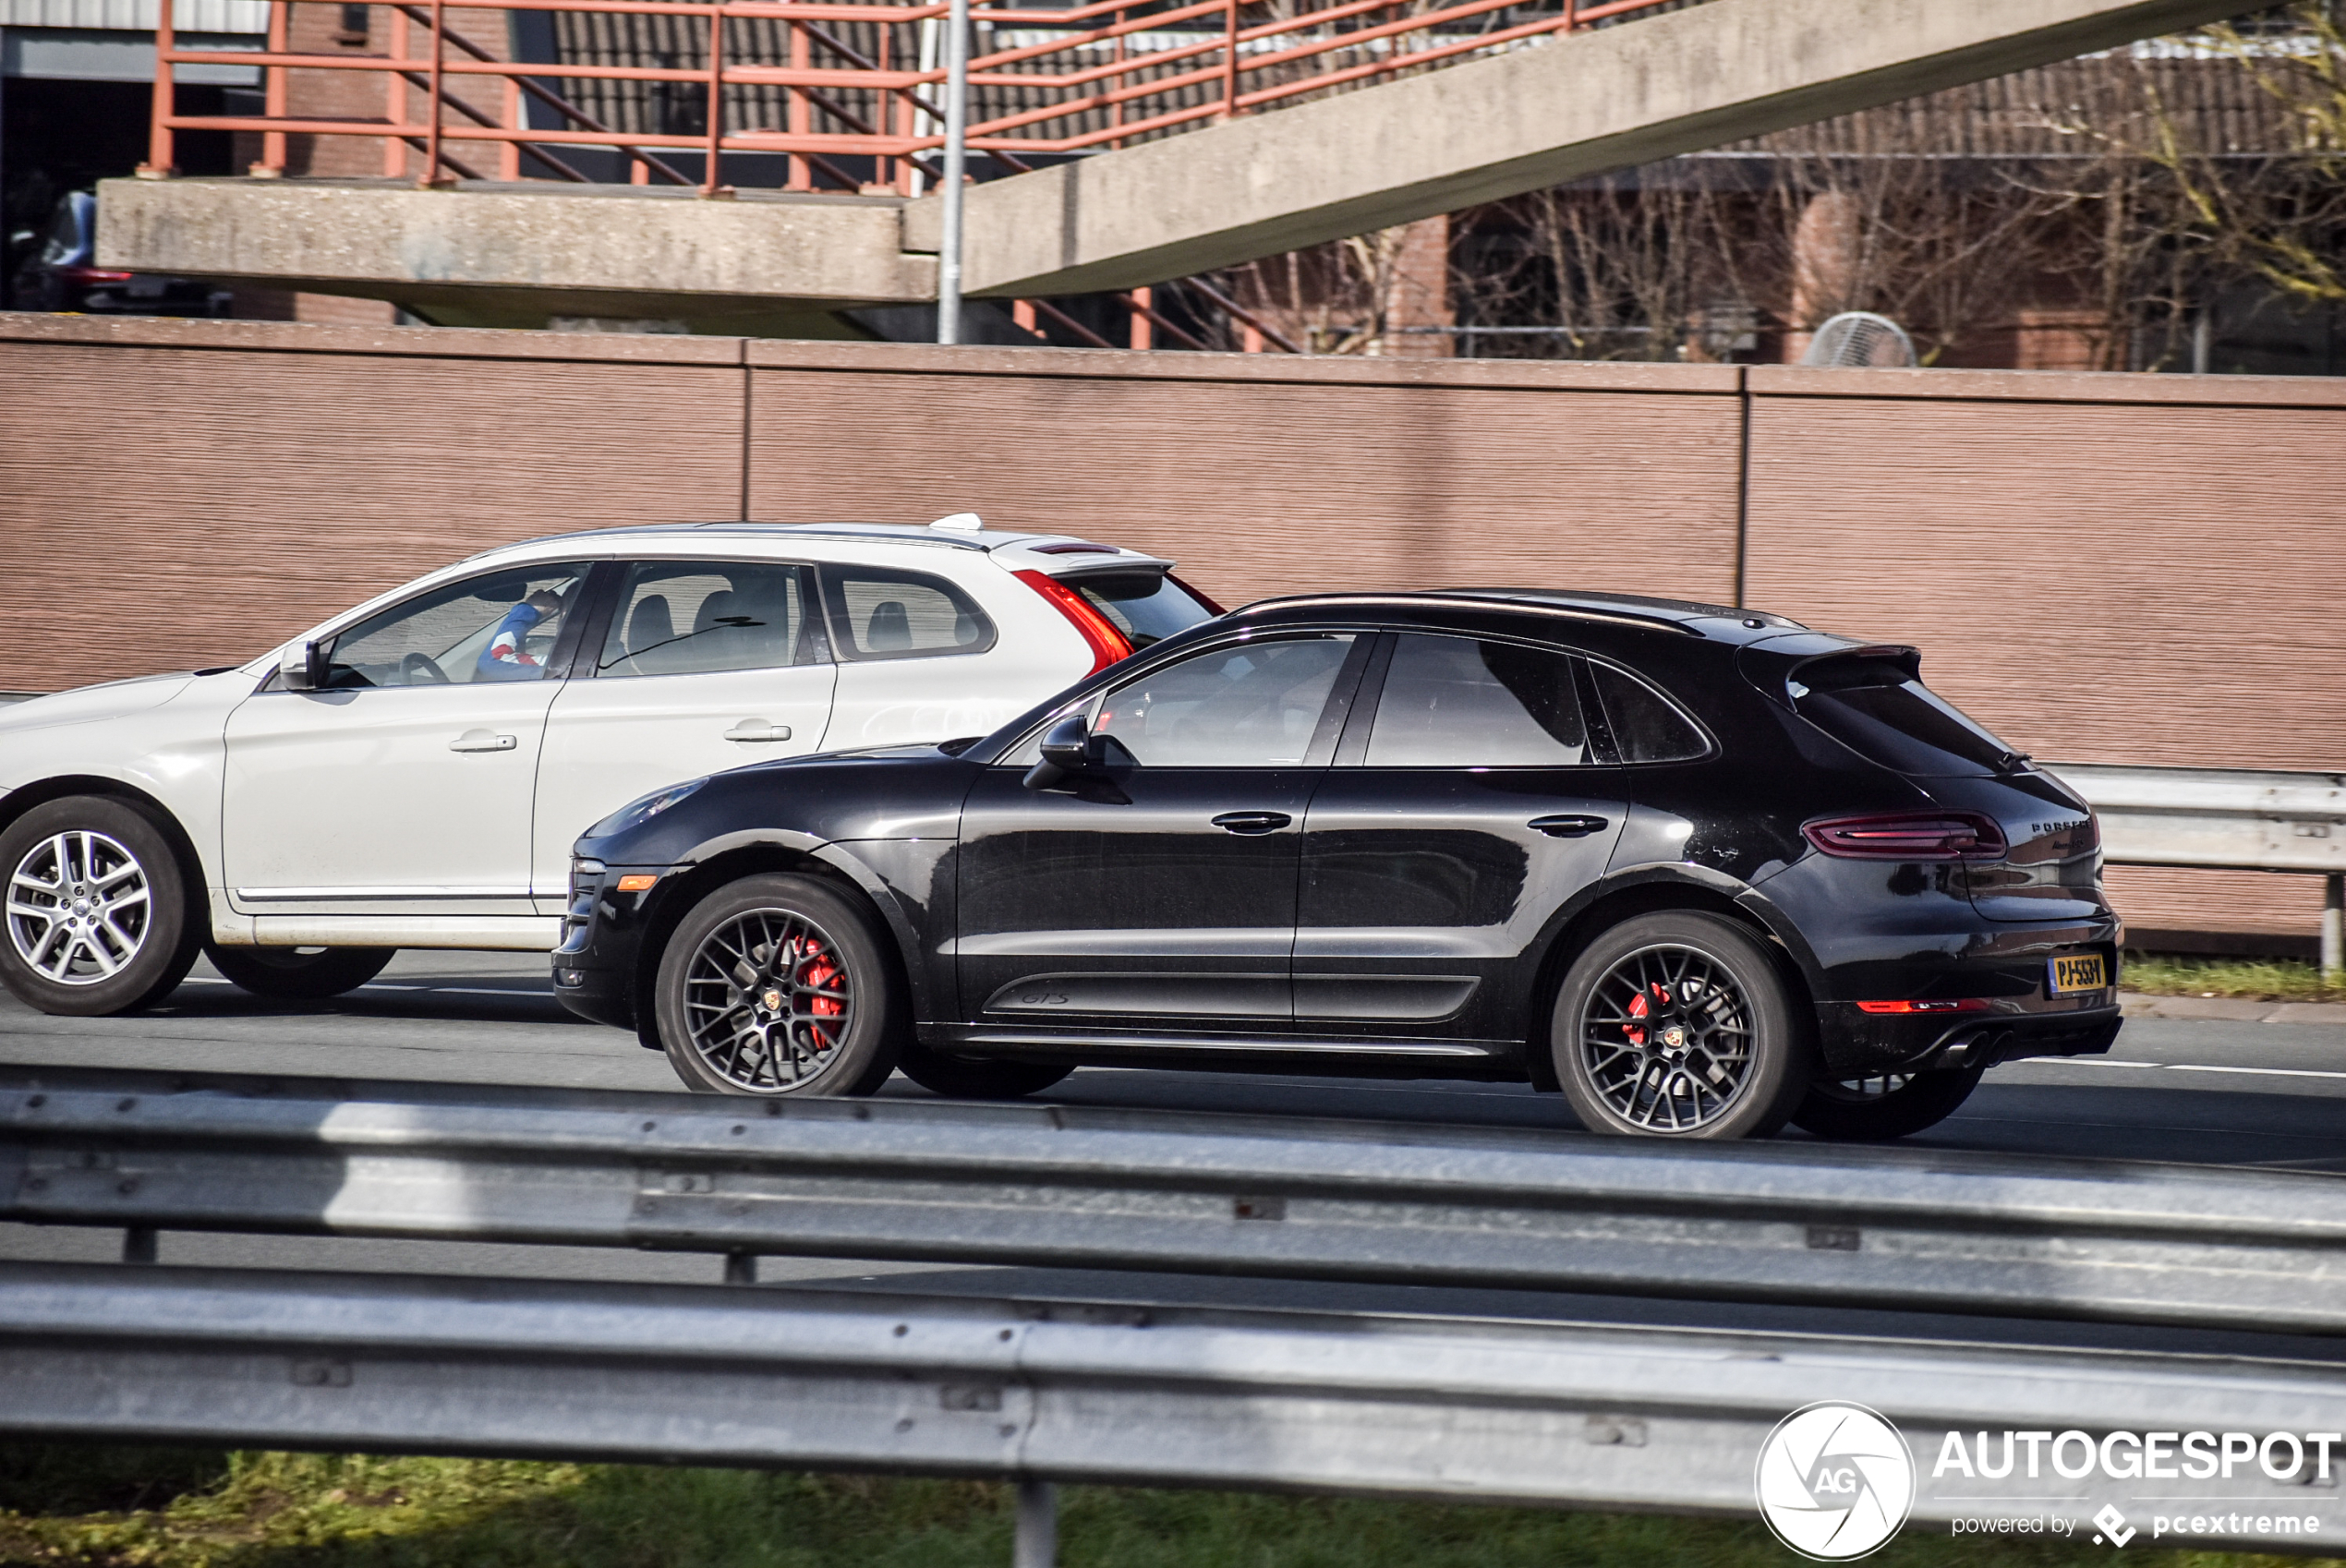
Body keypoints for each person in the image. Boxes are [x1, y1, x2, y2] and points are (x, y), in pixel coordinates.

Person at [476, 587, 566, 681]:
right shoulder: (573, 666)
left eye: (564, 612)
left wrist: (530, 610)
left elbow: (494, 661)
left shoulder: (565, 667)